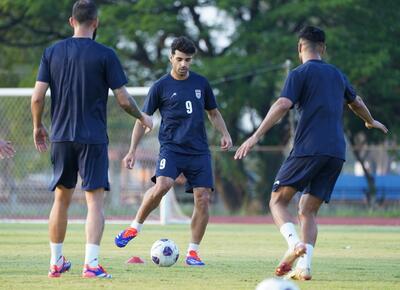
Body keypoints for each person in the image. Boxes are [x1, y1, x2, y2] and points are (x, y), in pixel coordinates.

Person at [234, 26, 388, 280]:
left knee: (277, 200)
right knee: (307, 210)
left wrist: (255, 136)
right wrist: (370, 121)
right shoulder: (337, 74)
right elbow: (357, 103)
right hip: (336, 153)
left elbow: (283, 103)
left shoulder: (299, 73)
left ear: (299, 48)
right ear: (323, 48)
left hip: (308, 149)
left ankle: (295, 245)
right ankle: (304, 267)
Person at [31, 0, 152, 279]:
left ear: (71, 21)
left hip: (61, 136)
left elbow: (37, 97)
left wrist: (38, 126)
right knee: (94, 202)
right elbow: (123, 99)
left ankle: (56, 263)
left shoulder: (52, 52)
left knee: (60, 200)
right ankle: (91, 265)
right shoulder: (105, 54)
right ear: (95, 22)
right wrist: (142, 117)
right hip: (93, 138)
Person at [114, 36, 232, 266]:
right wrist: (132, 151)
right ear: (171, 58)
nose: (184, 64)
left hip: (199, 150)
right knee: (163, 185)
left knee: (203, 198)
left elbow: (213, 113)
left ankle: (193, 253)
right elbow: (142, 120)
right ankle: (133, 228)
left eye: (188, 59)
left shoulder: (201, 83)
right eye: (179, 59)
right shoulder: (160, 87)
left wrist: (225, 133)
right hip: (171, 147)